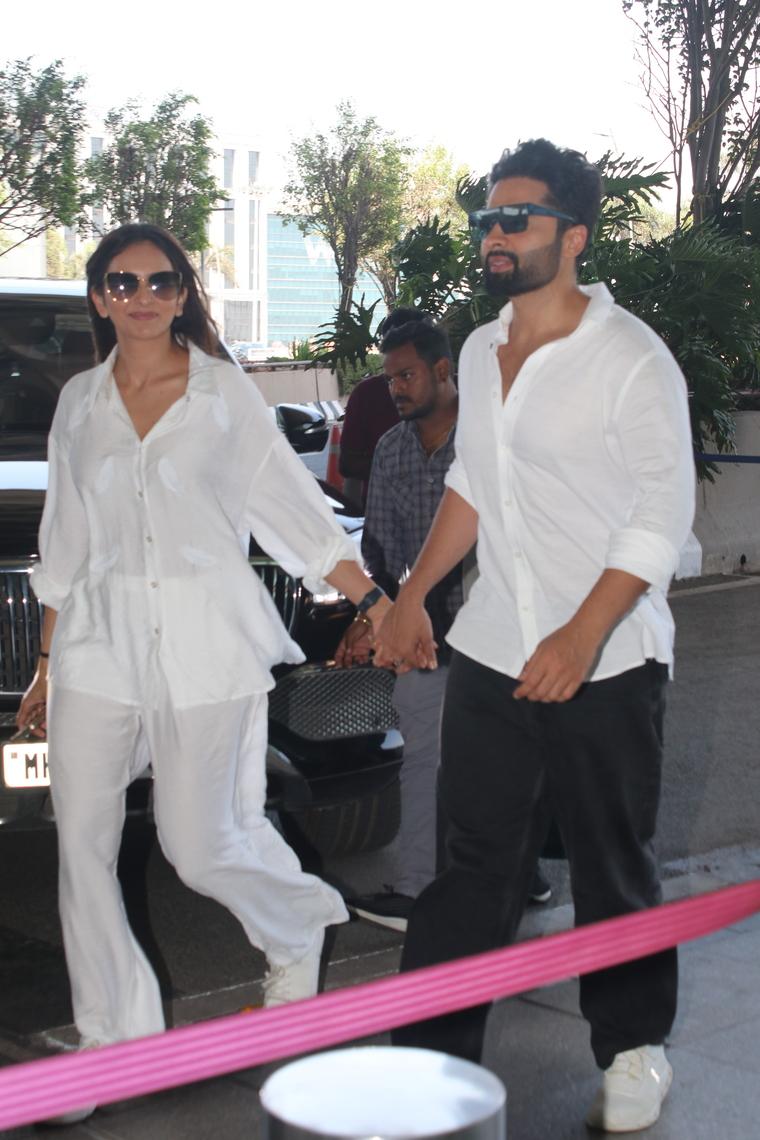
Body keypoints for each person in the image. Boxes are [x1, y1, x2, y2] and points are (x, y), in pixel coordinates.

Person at [16, 222, 391, 1123]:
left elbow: (289, 509)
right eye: (121, 282)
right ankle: (111, 1044)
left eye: (159, 281)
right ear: (100, 297)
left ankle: (296, 927)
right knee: (82, 846)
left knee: (199, 842)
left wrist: (375, 602)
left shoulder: (224, 393)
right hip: (98, 645)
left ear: (183, 293)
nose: (141, 297)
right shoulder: (80, 402)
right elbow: (66, 540)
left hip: (206, 645)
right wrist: (44, 666)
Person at [375, 140, 695, 1133]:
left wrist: (582, 634)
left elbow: (662, 511)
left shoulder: (630, 357)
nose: (496, 234)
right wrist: (414, 594)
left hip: (609, 657)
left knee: (611, 863)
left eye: (517, 218)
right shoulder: (478, 349)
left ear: (575, 234)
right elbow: (474, 482)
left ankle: (633, 1048)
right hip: (491, 647)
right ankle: (430, 1061)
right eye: (487, 219)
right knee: (472, 865)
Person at [336, 309, 551, 931]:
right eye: (388, 379)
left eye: (405, 375)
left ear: (442, 371)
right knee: (423, 756)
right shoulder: (391, 451)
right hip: (425, 635)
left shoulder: (490, 439)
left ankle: (523, 870)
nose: (395, 389)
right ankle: (416, 890)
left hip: (503, 631)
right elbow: (379, 551)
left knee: (502, 761)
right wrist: (376, 615)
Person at [338, 369, 399, 507]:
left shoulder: (446, 393)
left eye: (408, 376)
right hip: (380, 505)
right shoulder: (367, 392)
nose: (398, 389)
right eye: (390, 381)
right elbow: (347, 464)